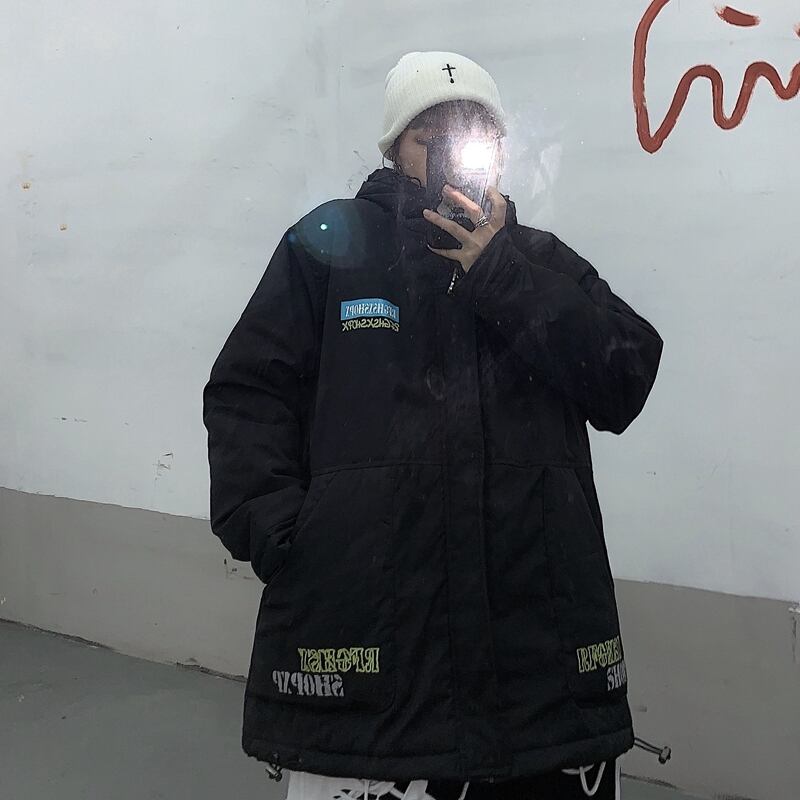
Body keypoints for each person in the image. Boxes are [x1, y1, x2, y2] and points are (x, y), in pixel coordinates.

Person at [202, 51, 664, 800]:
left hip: (538, 659)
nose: (454, 151)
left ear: (500, 150)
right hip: (368, 647)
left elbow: (625, 377)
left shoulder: (539, 260)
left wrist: (502, 274)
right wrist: (290, 535)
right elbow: (247, 393)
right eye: (430, 135)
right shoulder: (331, 244)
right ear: (395, 148)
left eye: (474, 134)